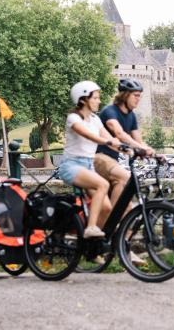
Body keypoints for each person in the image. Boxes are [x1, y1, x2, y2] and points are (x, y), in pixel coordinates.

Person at [94, 78, 155, 265]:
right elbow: (120, 134)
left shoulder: (132, 116)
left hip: (112, 162)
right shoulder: (109, 111)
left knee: (129, 211)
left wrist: (153, 152)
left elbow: (138, 139)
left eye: (139, 96)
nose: (138, 99)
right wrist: (139, 148)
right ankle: (112, 218)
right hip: (97, 158)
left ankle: (124, 251)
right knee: (124, 177)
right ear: (125, 95)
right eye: (136, 96)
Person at [57, 81, 120, 239]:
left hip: (88, 166)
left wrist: (130, 149)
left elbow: (109, 138)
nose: (99, 101)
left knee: (106, 208)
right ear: (83, 99)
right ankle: (91, 227)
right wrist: (105, 141)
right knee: (103, 184)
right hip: (71, 166)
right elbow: (86, 134)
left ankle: (90, 246)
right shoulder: (73, 118)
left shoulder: (95, 119)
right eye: (96, 98)